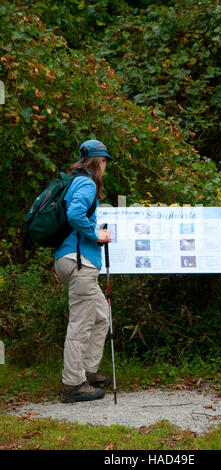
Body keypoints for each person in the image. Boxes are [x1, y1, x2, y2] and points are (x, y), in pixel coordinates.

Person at [53, 139, 114, 403]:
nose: (106, 167)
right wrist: (96, 235)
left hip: (70, 260)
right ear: (98, 161)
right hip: (80, 263)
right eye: (105, 162)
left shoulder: (75, 180)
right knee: (81, 323)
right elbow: (75, 213)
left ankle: (87, 372)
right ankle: (73, 384)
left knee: (101, 316)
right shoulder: (87, 184)